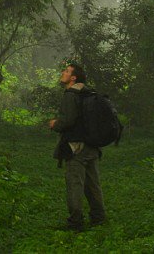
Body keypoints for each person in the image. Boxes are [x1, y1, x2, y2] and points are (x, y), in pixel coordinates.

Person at [48, 63, 106, 231]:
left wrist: (55, 124)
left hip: (76, 147)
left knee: (75, 184)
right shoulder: (89, 93)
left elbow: (68, 121)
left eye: (66, 71)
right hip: (92, 146)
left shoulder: (70, 94)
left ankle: (75, 223)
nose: (63, 73)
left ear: (73, 78)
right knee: (93, 184)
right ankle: (99, 218)